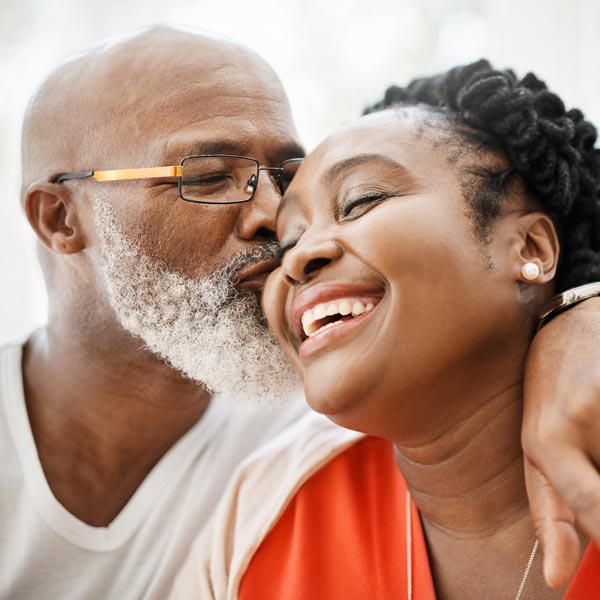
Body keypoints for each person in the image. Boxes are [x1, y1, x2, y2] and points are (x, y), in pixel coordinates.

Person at [3, 25, 600, 598]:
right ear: (60, 219)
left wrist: (577, 310)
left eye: (285, 179)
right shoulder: (279, 491)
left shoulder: (329, 407)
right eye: (209, 177)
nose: (276, 229)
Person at [170, 60, 600, 599]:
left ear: (530, 249)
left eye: (360, 201)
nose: (301, 257)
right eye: (287, 243)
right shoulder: (264, 508)